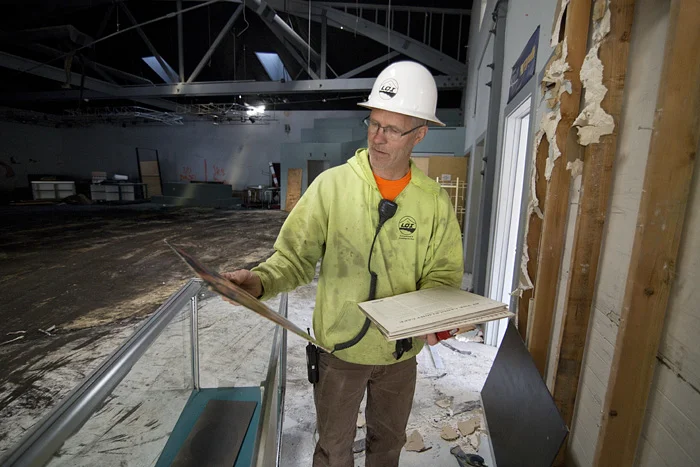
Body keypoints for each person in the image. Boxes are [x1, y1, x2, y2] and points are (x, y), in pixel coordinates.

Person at [223, 60, 464, 467]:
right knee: (333, 450)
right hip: (339, 353)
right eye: (373, 123)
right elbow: (294, 258)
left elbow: (442, 274)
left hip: (398, 356)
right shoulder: (331, 186)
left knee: (387, 447)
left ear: (419, 134)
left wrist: (438, 317)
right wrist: (260, 281)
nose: (377, 137)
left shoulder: (433, 202)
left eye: (391, 128)